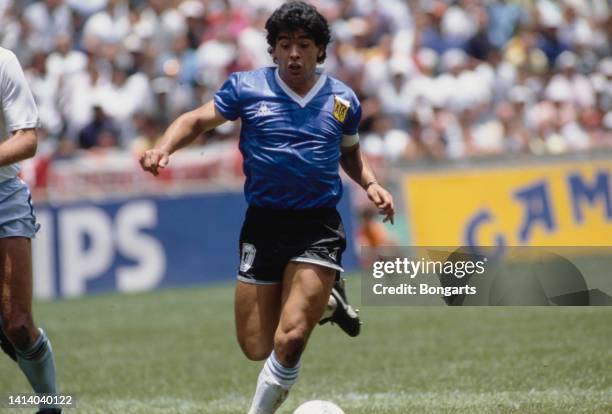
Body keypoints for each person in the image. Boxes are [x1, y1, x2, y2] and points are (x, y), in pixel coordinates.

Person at [139, 2, 394, 413]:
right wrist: (163, 147)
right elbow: (196, 121)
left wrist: (372, 183)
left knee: (290, 339)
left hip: (318, 225)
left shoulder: (343, 100)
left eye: (304, 45)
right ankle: (330, 302)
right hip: (263, 225)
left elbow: (350, 154)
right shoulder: (245, 87)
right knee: (256, 345)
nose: (294, 53)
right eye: (285, 44)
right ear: (273, 50)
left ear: (320, 51)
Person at [0, 47, 61, 414]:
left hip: (2, 197)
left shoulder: (3, 62)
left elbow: (27, 139)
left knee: (18, 325)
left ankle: (51, 406)